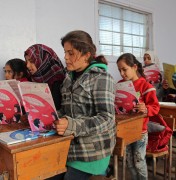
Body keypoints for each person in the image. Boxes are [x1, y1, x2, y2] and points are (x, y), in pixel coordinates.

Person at [53, 30, 116, 180]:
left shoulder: (101, 78)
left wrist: (72, 125)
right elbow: (66, 110)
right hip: (70, 146)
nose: (66, 57)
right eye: (65, 53)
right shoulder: (68, 77)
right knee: (48, 172)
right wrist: (49, 116)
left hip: (93, 150)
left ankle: (104, 170)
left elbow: (107, 118)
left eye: (71, 53)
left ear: (87, 55)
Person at [116, 53, 160, 180]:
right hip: (125, 130)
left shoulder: (146, 86)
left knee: (139, 162)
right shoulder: (120, 84)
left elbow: (155, 107)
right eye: (119, 70)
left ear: (134, 67)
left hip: (140, 131)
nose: (122, 73)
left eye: (124, 69)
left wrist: (145, 108)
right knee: (129, 162)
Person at [24, 44, 66, 111]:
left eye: (32, 61)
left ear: (44, 61)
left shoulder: (58, 81)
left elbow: (56, 108)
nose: (28, 65)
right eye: (26, 61)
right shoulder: (31, 78)